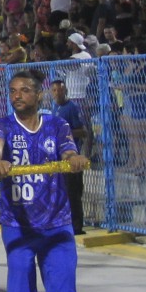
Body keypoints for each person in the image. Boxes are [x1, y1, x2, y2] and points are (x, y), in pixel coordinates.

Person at [0, 68, 93, 292]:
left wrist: (73, 157)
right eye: (12, 90)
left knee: (64, 282)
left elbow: (68, 148)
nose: (16, 95)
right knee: (20, 272)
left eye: (23, 90)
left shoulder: (57, 124)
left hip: (57, 221)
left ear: (38, 95)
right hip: (18, 221)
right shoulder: (2, 125)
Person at [48, 77, 91, 234]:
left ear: (65, 91)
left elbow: (82, 131)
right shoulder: (55, 108)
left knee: (73, 193)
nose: (57, 93)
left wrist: (63, 133)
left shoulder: (71, 108)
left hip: (72, 158)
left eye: (60, 90)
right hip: (59, 159)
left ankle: (77, 226)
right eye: (54, 90)